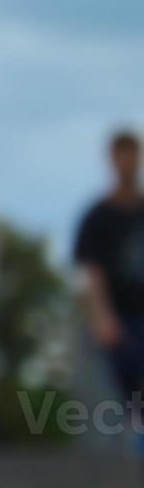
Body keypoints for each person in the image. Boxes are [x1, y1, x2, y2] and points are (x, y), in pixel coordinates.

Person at [74, 129, 144, 457]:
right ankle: (119, 458)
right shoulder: (97, 217)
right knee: (118, 391)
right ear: (112, 160)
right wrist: (101, 318)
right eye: (121, 155)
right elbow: (90, 272)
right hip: (118, 320)